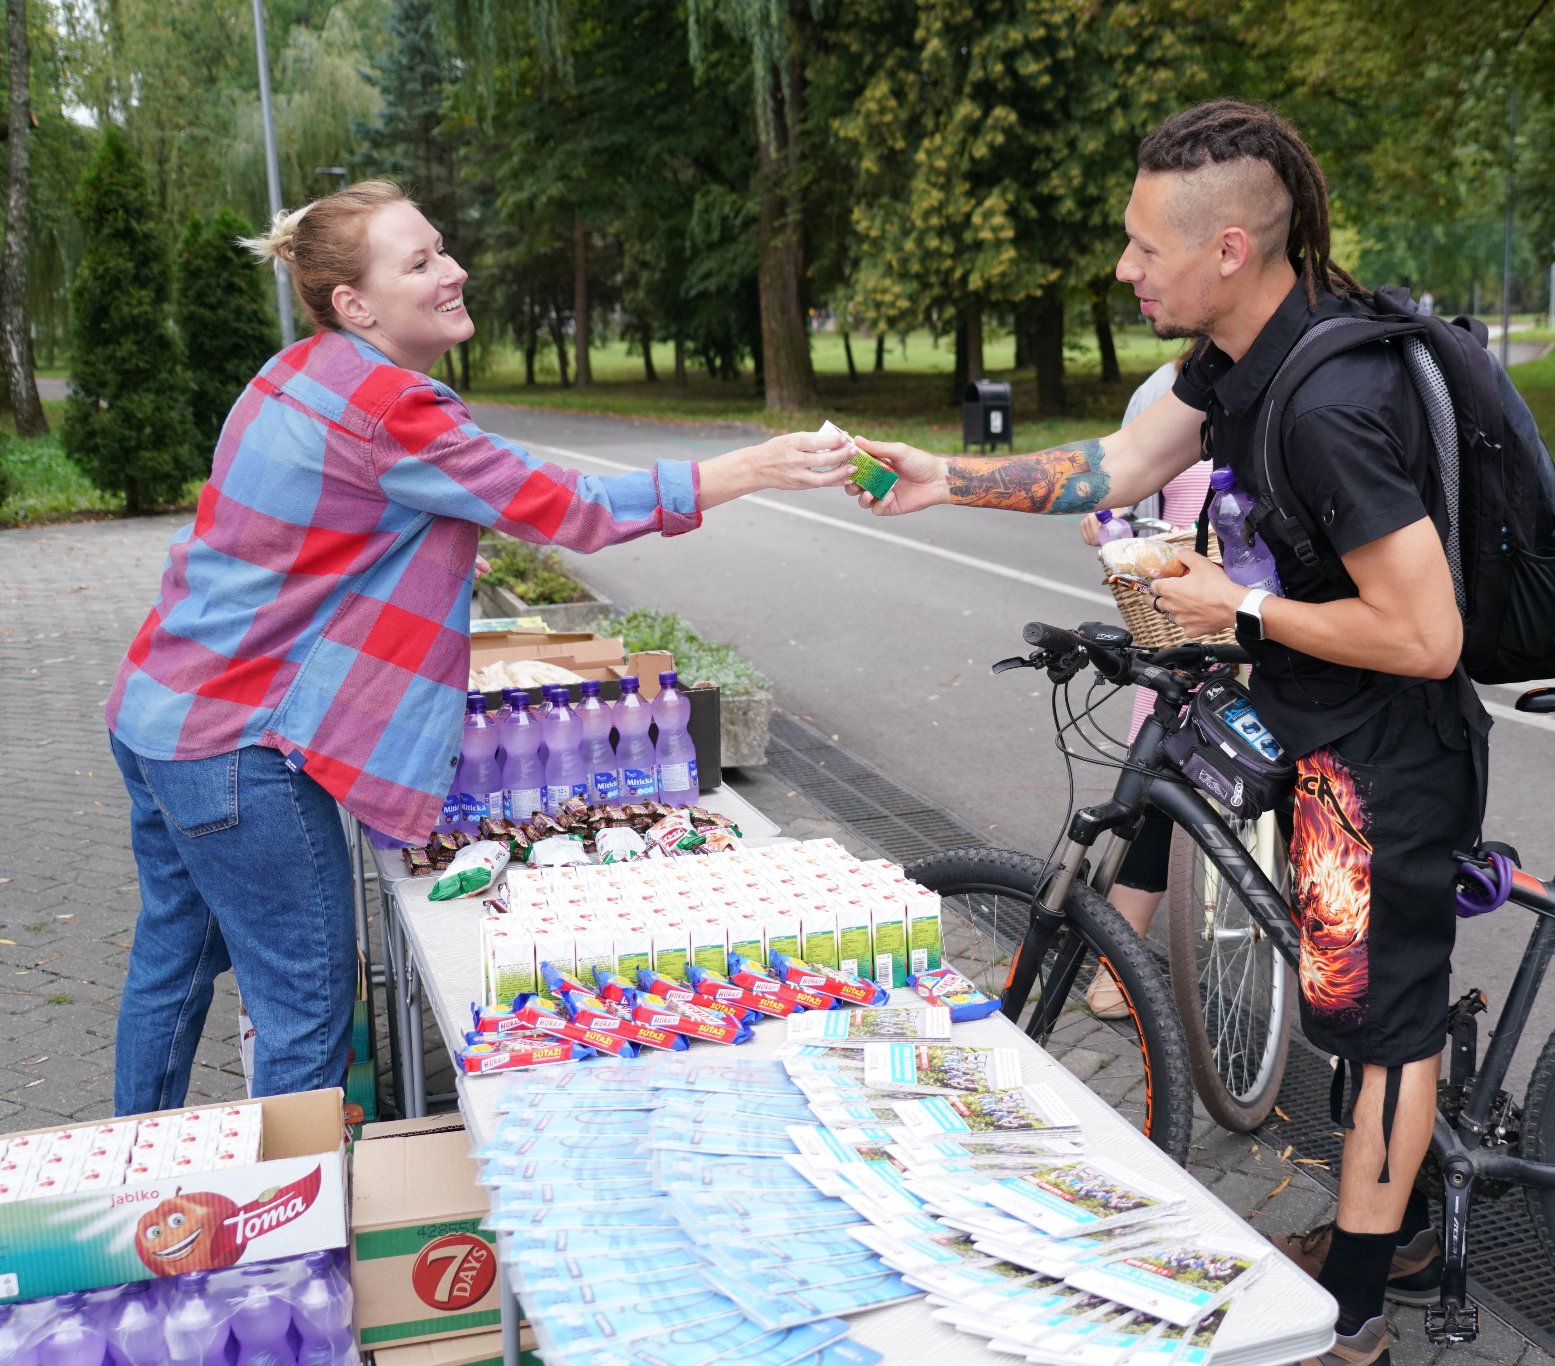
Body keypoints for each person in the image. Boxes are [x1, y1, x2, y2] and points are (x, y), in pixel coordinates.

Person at [849, 101, 1485, 1365]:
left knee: (1377, 1023)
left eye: (1144, 245)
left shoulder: (1327, 404)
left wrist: (1238, 604)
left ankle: (1351, 1318)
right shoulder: (1237, 365)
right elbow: (1117, 464)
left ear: (1231, 248)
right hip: (1323, 724)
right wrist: (941, 474)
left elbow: (1426, 637)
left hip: (1388, 751)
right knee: (1349, 1006)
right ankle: (1396, 1229)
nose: (1126, 268)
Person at [104, 180, 852, 1117]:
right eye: (419, 262)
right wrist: (752, 466)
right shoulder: (389, 409)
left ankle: (138, 1179)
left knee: (172, 964)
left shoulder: (295, 371)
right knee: (307, 1007)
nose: (454, 271)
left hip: (155, 712)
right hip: (233, 744)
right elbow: (565, 509)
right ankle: (288, 1236)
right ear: (356, 304)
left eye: (443, 248)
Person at [1075, 358, 1210, 1019]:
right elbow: (1108, 506)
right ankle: (1118, 960)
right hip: (1175, 620)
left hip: (1281, 624)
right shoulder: (1164, 390)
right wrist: (1110, 528)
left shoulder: (1305, 374)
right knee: (1152, 791)